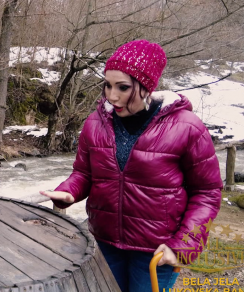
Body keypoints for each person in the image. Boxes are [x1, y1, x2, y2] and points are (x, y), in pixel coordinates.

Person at [41, 40, 222, 292]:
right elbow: (84, 173)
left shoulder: (187, 127)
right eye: (107, 85)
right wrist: (69, 192)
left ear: (147, 87)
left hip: (157, 250)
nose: (112, 96)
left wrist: (183, 245)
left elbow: (207, 193)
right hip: (104, 243)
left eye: (123, 87)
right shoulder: (95, 123)